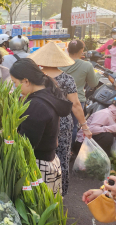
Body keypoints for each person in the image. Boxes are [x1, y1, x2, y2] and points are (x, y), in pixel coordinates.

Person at [28, 42, 92, 196]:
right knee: (61, 159)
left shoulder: (34, 79)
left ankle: (38, 192)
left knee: (38, 158)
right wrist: (85, 126)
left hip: (39, 122)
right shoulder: (67, 79)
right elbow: (76, 105)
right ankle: (59, 193)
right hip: (62, 123)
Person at [10, 58, 73, 195]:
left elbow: (27, 144)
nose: (15, 87)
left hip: (38, 167)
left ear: (26, 81)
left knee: (37, 210)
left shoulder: (35, 105)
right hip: (50, 162)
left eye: (15, 83)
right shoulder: (48, 94)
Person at [60, 39, 100, 143]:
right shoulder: (87, 65)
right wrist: (98, 74)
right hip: (78, 99)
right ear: (82, 50)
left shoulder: (59, 63)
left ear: (68, 49)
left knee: (58, 125)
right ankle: (70, 150)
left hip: (60, 99)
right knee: (73, 126)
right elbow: (93, 84)